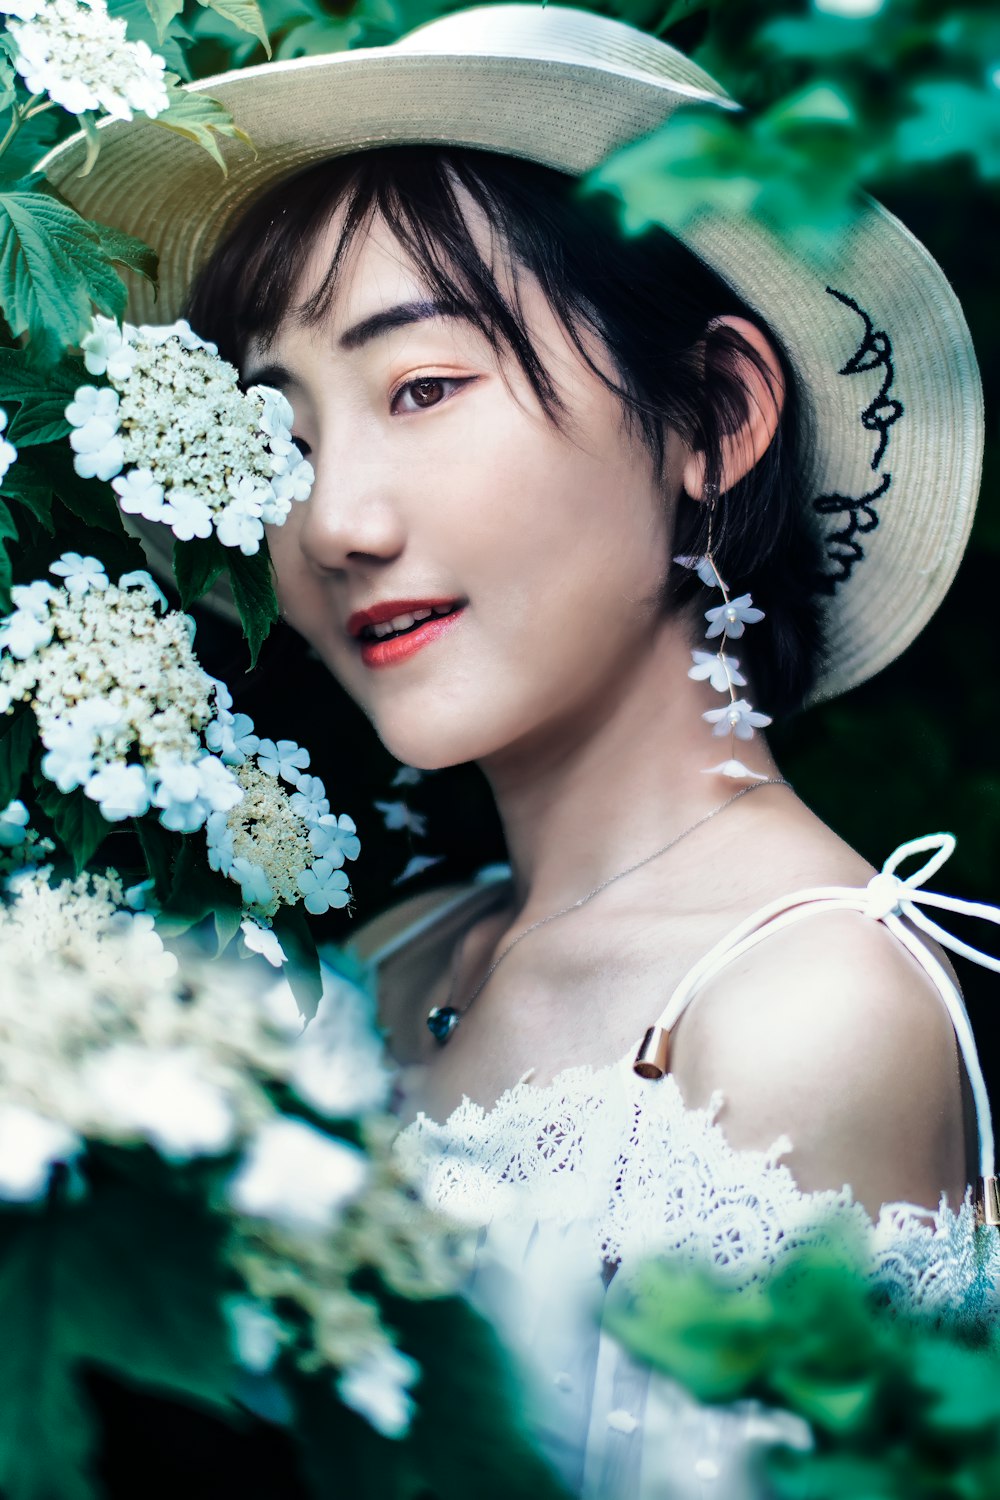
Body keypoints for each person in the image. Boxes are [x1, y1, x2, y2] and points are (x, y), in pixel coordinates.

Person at [43, 5, 1000, 1494]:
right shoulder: (393, 954)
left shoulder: (807, 1010)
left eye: (423, 388)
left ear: (713, 415)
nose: (338, 521)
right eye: (274, 430)